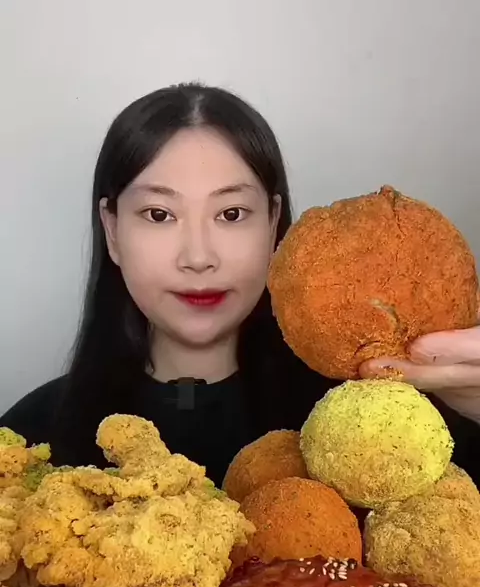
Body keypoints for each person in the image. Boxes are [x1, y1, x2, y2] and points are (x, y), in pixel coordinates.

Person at [1, 82, 480, 488]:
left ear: (273, 223)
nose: (198, 257)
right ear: (112, 231)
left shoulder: (402, 431)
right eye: (159, 214)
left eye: (231, 214)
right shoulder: (26, 444)